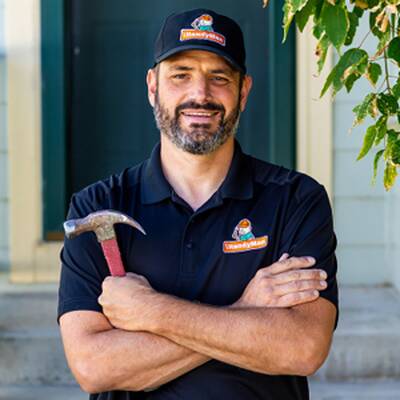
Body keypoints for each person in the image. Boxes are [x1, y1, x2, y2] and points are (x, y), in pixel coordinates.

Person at [58, 8, 338, 400]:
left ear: (243, 91)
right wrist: (245, 309)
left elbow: (303, 347)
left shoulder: (296, 200)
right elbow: (94, 366)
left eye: (219, 77)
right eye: (181, 75)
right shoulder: (97, 206)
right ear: (153, 86)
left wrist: (152, 312)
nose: (200, 94)